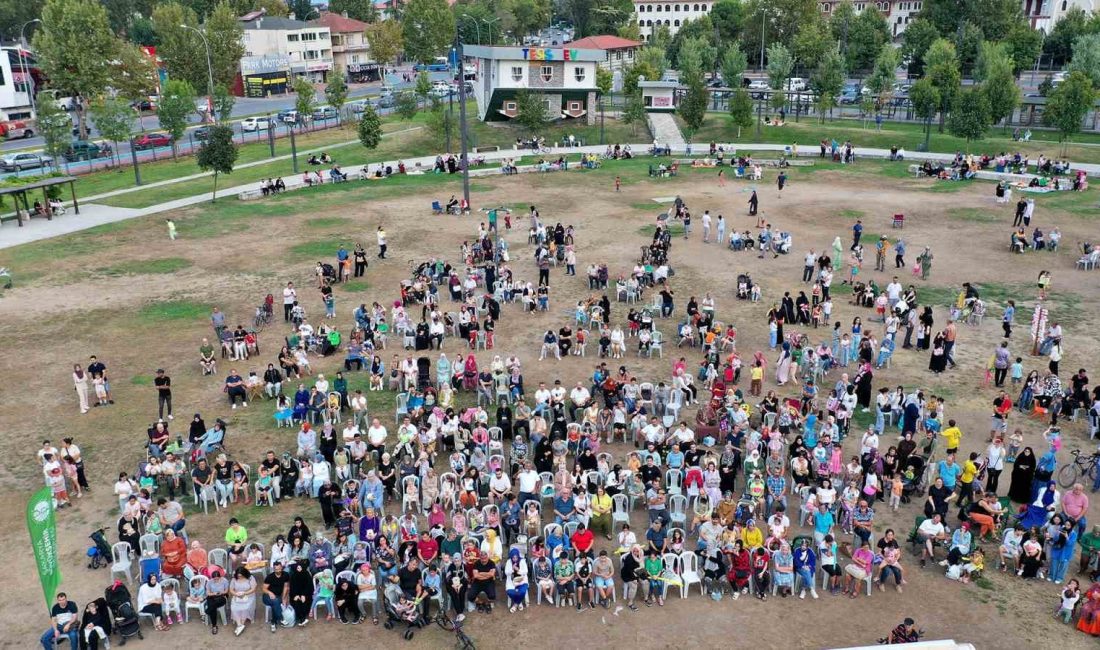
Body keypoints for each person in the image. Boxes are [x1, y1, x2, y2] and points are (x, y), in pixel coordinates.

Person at [229, 566, 257, 636]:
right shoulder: (234, 579)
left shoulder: (250, 578)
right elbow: (231, 589)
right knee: (233, 607)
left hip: (248, 595)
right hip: (237, 596)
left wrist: (245, 593)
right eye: (238, 576)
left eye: (241, 576)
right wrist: (236, 594)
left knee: (245, 607)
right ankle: (239, 625)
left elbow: (253, 589)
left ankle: (241, 624)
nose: (239, 577)